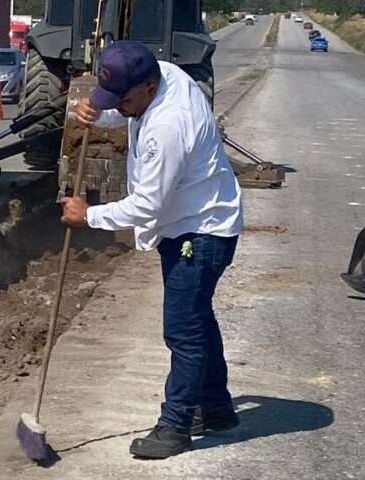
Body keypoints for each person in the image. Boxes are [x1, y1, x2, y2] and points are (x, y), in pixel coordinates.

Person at [62, 41, 244, 459]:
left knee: (183, 331)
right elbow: (128, 111)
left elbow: (148, 205)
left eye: (122, 100)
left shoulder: (169, 126)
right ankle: (216, 408)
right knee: (198, 320)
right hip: (190, 222)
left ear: (148, 87)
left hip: (201, 231)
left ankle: (176, 425)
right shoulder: (158, 74)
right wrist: (99, 112)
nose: (119, 106)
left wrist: (89, 215)